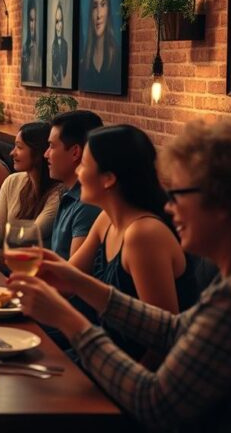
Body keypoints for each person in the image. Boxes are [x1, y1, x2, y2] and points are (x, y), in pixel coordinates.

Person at [8, 119, 231, 431]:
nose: (169, 208)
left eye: (178, 194)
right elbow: (174, 330)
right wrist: (76, 281)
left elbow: (156, 402)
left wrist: (71, 322)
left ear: (222, 202)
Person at [69, 124, 198, 361]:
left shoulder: (144, 235)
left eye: (84, 164)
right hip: (105, 357)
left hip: (133, 376)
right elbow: (66, 280)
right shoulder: (106, 219)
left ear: (108, 178)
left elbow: (162, 343)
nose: (77, 171)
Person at [45, 110, 104, 259]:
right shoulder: (67, 194)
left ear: (75, 152)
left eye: (52, 146)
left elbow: (73, 277)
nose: (45, 154)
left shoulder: (87, 204)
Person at [80, 0, 121, 93]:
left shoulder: (117, 58)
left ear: (109, 9)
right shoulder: (83, 64)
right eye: (94, 6)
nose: (98, 14)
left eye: (103, 5)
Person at [22, 0, 41, 84]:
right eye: (31, 20)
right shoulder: (25, 48)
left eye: (35, 20)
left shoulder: (40, 49)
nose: (32, 25)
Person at [50, 1, 68, 87]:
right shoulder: (53, 46)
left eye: (61, 21)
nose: (59, 26)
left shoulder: (65, 45)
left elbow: (65, 73)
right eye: (57, 22)